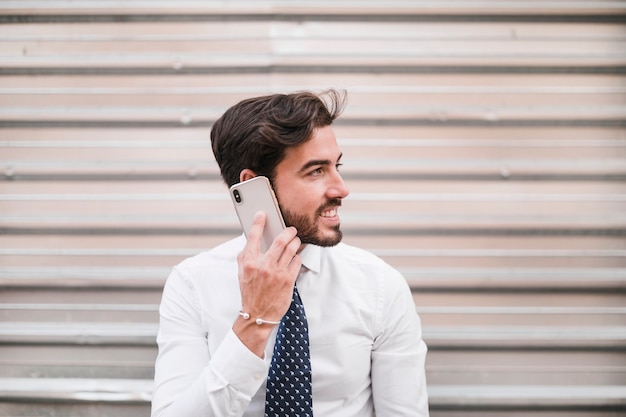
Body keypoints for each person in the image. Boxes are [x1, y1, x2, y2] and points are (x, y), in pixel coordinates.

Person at [151, 89, 429, 417]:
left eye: (337, 166)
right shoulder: (192, 284)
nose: (341, 189)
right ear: (254, 185)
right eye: (316, 171)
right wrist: (254, 321)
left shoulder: (380, 286)